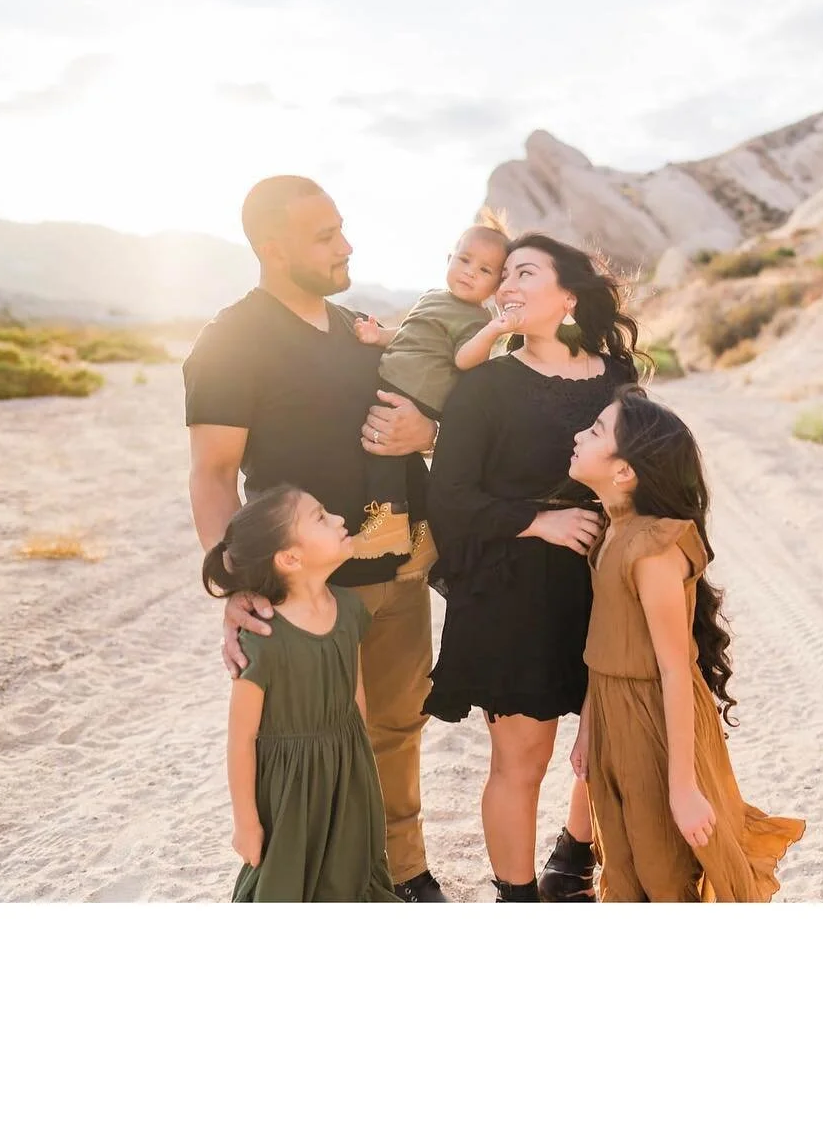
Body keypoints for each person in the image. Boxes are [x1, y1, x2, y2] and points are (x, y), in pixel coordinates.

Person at [184, 174, 448, 903]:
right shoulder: (232, 341)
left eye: (341, 228)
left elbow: (428, 418)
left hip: (400, 567)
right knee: (322, 744)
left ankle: (402, 870)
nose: (346, 245)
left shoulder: (360, 329)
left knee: (398, 725)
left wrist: (426, 434)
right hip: (315, 588)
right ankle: (325, 884)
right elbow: (212, 474)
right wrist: (236, 587)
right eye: (325, 236)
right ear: (272, 248)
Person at [424, 233, 641, 901]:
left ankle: (574, 852)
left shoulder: (615, 376)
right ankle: (518, 899)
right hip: (512, 584)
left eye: (525, 273)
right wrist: (539, 521)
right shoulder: (483, 386)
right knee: (523, 757)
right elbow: (448, 497)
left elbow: (647, 467)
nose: (507, 286)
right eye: (503, 276)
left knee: (607, 739)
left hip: (605, 581)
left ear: (569, 295)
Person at [567, 386, 805, 901]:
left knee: (663, 868)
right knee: (622, 857)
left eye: (595, 432)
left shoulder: (653, 548)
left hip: (655, 719)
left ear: (624, 471)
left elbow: (674, 670)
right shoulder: (614, 531)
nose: (578, 436)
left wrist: (683, 788)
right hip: (611, 713)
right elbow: (603, 647)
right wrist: (589, 728)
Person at [207, 484, 401, 903]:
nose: (339, 519)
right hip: (289, 789)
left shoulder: (349, 609)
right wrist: (246, 823)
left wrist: (361, 766)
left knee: (348, 871)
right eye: (320, 517)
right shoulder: (263, 639)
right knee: (285, 880)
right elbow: (241, 739)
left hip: (347, 769)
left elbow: (356, 694)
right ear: (290, 558)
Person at [350, 221, 514, 570]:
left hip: (419, 390)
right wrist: (376, 336)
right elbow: (409, 334)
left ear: (497, 284)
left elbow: (465, 359)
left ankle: (388, 523)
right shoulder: (432, 297)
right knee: (404, 460)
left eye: (484, 270)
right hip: (400, 381)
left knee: (382, 450)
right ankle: (424, 535)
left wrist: (491, 332)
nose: (470, 273)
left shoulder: (476, 318)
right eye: (465, 260)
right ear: (449, 257)